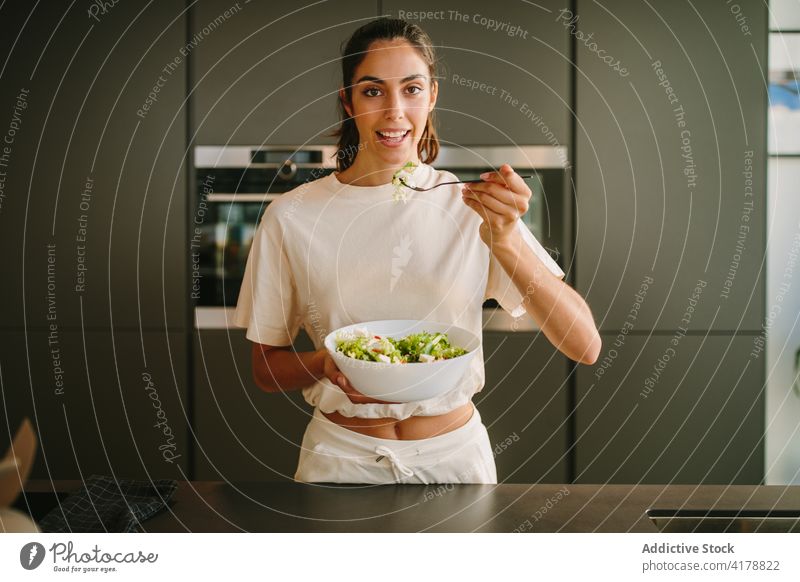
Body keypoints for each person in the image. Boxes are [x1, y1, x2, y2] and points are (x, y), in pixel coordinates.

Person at [234, 17, 601, 485]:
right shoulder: (292, 215)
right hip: (340, 461)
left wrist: (505, 240)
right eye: (372, 91)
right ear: (348, 102)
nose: (394, 111)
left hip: (455, 461)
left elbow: (584, 344)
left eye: (411, 89)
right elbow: (267, 368)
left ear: (432, 96)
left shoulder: (472, 205)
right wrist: (325, 365)